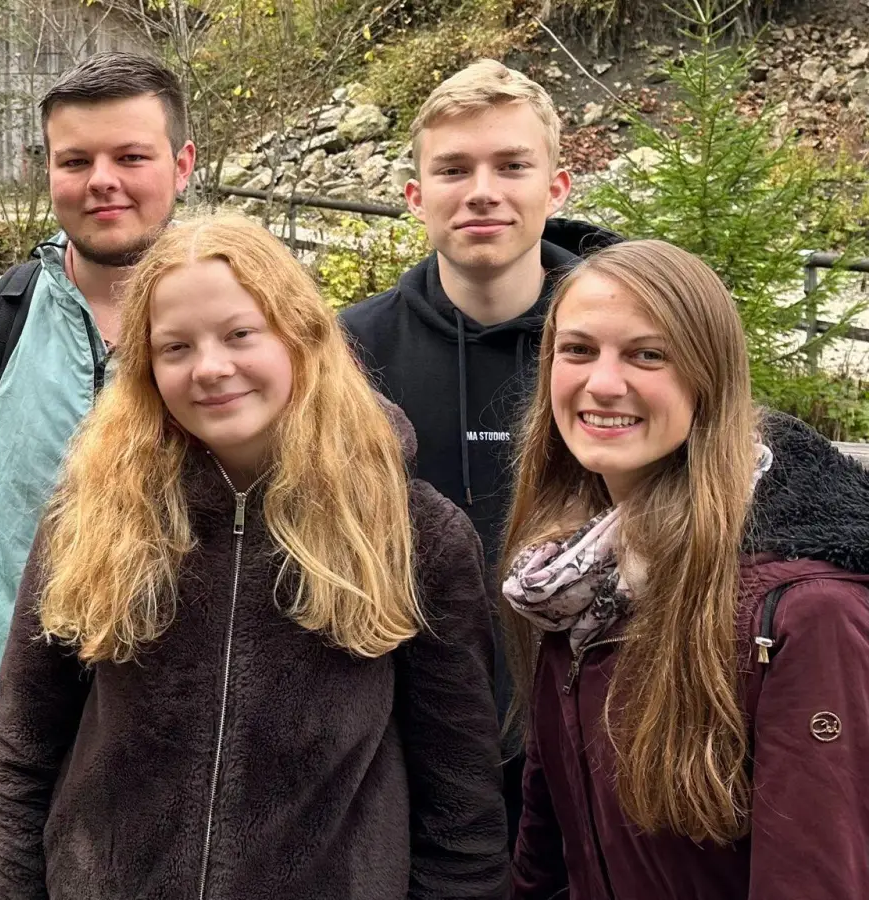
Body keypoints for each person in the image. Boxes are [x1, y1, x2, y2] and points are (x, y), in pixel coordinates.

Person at [0, 213, 507, 900]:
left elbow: (460, 807)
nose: (211, 368)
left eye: (240, 334)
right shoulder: (92, 514)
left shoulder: (412, 533)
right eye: (176, 347)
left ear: (299, 335)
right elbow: (23, 746)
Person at [502, 240, 869, 898]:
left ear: (709, 377)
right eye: (578, 349)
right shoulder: (575, 581)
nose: (602, 383)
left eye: (648, 354)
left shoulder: (804, 611)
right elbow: (548, 849)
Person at [0, 50, 196, 874]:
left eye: (131, 156)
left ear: (181, 165)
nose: (103, 181)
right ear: (48, 171)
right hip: (25, 751)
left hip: (198, 750)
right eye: (76, 160)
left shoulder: (247, 332)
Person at [338, 58, 619, 836]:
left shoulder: (621, 349)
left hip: (600, 740)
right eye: (454, 169)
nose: (483, 191)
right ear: (415, 196)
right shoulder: (344, 355)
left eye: (511, 166)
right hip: (409, 753)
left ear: (557, 188)